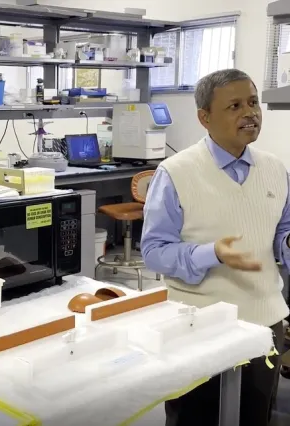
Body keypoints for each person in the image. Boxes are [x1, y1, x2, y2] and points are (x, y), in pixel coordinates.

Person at [141, 68, 289, 426]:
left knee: (255, 415)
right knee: (195, 416)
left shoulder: (275, 169)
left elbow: (282, 234)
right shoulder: (176, 172)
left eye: (253, 103)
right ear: (204, 118)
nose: (250, 113)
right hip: (197, 323)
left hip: (263, 321)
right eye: (235, 105)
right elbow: (154, 250)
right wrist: (213, 253)